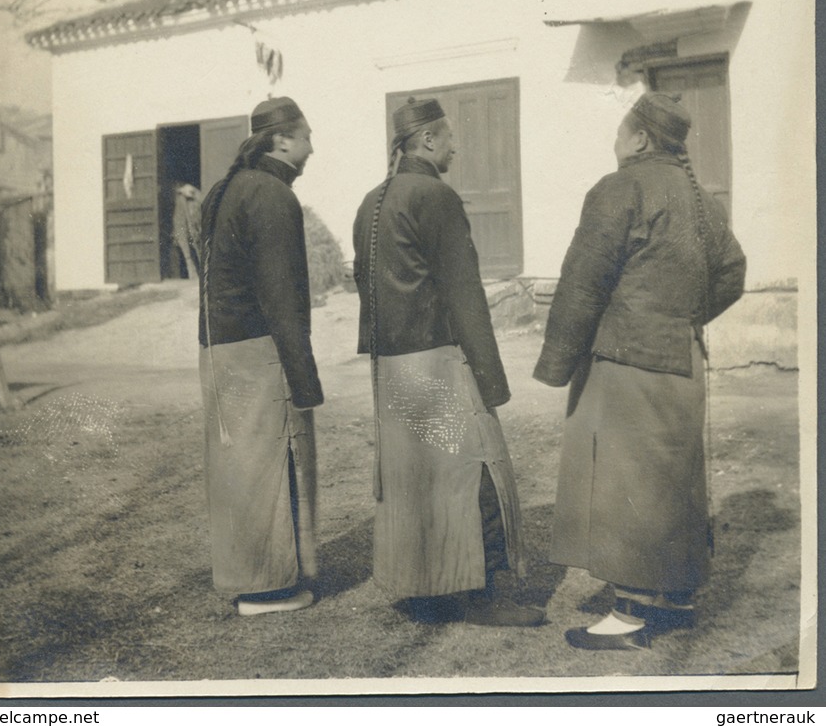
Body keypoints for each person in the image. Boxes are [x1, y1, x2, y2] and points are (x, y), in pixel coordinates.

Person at [533, 92, 747, 650]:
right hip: (682, 359)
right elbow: (732, 275)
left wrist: (556, 364)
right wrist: (680, 320)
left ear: (641, 139)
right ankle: (676, 600)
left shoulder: (620, 187)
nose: (614, 142)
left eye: (619, 132)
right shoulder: (703, 200)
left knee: (627, 487)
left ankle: (629, 617)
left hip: (629, 364)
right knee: (672, 482)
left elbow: (584, 282)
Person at [352, 96, 544, 627]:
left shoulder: (371, 200)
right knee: (474, 474)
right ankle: (482, 596)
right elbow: (465, 295)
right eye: (451, 137)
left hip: (392, 367)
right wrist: (491, 381)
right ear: (429, 140)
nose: (457, 145)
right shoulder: (436, 196)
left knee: (417, 482)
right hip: (439, 358)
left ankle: (425, 591)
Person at [198, 97, 323, 616]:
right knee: (272, 463)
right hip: (257, 349)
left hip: (219, 349)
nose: (313, 148)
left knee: (240, 466)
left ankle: (255, 575)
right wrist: (305, 380)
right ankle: (268, 587)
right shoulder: (272, 195)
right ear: (282, 141)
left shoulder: (224, 189)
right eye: (308, 136)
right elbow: (282, 295)